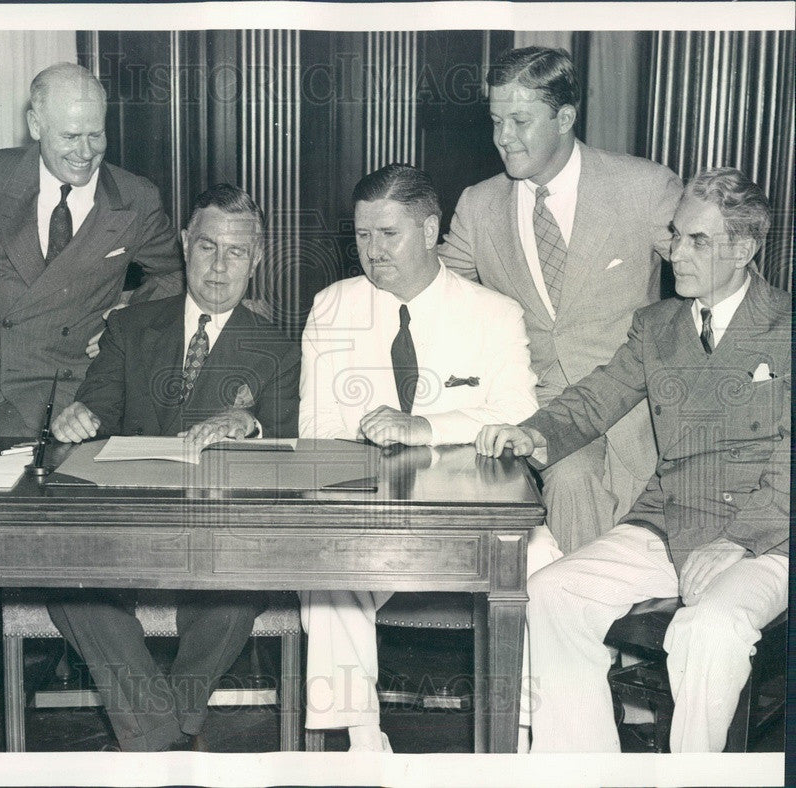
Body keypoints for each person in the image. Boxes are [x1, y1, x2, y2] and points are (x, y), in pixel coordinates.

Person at [476, 168, 789, 753]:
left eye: (698, 241)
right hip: (670, 522)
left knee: (708, 630)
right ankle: (585, 771)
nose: (675, 254)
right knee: (550, 594)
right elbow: (596, 398)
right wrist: (530, 433)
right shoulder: (658, 326)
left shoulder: (787, 326)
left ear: (744, 249)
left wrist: (741, 541)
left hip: (770, 537)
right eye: (674, 235)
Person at [46, 184, 300, 751]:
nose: (219, 266)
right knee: (66, 582)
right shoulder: (130, 327)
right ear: (186, 244)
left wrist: (249, 427)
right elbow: (98, 407)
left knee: (236, 596)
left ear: (257, 258)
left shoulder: (276, 349)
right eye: (207, 247)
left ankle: (152, 733)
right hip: (125, 531)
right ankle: (166, 735)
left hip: (218, 540)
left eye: (237, 253)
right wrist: (78, 417)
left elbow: (289, 449)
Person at [299, 164, 541, 752]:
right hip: (370, 514)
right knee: (326, 576)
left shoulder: (493, 313)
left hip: (475, 518)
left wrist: (424, 427)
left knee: (547, 574)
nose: (372, 253)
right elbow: (314, 435)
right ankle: (361, 743)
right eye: (361, 237)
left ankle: (527, 738)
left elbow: (519, 419)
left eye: (389, 235)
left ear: (431, 230)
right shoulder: (331, 308)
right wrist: (366, 431)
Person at [439, 46, 684, 554]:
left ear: (566, 117)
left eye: (520, 120)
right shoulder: (478, 205)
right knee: (571, 479)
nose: (502, 137)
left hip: (637, 408)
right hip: (540, 414)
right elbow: (436, 296)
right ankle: (587, 620)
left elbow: (712, 274)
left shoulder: (644, 187)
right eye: (496, 120)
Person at [0, 62, 183, 437]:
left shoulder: (134, 198)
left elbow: (178, 271)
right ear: (35, 125)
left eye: (96, 135)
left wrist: (131, 313)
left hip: (81, 389)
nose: (86, 152)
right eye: (70, 136)